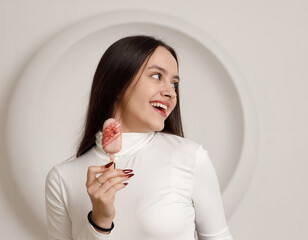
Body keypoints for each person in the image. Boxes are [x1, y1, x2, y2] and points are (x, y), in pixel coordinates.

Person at [45, 35, 233, 240]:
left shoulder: (190, 157)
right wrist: (99, 221)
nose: (171, 93)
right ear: (117, 83)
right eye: (156, 76)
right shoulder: (62, 178)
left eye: (174, 84)